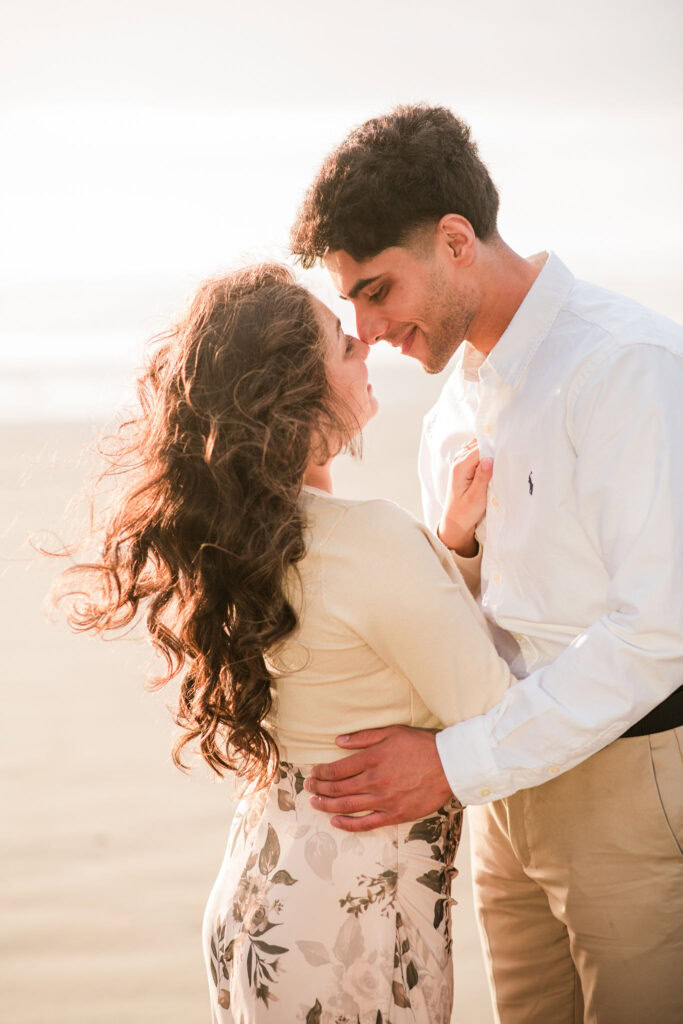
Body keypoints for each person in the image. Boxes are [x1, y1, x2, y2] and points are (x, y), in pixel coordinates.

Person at [291, 104, 683, 1024]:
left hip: (626, 782)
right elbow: (475, 612)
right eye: (351, 303)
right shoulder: (449, 413)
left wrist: (453, 766)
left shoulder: (627, 365)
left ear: (455, 241)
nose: (370, 328)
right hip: (501, 795)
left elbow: (658, 630)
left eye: (378, 290)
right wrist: (457, 555)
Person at [52, 262, 519, 1023]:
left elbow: (351, 630)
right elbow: (499, 715)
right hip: (348, 928)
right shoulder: (369, 542)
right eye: (342, 345)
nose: (366, 346)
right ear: (296, 397)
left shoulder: (246, 537)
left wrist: (449, 550)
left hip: (259, 900)